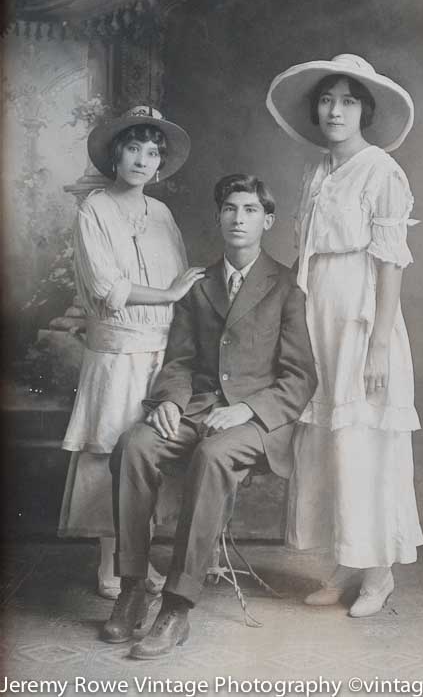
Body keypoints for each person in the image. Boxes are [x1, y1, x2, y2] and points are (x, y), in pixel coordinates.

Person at [102, 173, 317, 658]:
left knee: (215, 455)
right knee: (134, 444)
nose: (238, 219)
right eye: (230, 209)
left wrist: (246, 408)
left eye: (249, 211)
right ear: (218, 216)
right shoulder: (199, 286)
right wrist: (172, 401)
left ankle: (177, 607)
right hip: (196, 410)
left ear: (268, 221)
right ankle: (134, 587)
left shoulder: (286, 286)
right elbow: (178, 361)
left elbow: (300, 377)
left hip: (257, 423)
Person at [266, 54, 423, 617]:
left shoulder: (381, 169)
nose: (335, 110)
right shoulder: (317, 171)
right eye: (328, 100)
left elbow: (390, 262)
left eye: (349, 101)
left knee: (364, 438)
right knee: (332, 444)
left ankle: (378, 574)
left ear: (365, 111)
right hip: (318, 315)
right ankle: (346, 562)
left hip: (360, 318)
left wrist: (379, 341)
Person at [58, 105, 205, 600]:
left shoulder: (162, 215)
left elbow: (184, 282)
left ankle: (139, 562)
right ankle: (111, 567)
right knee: (110, 451)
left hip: (160, 355)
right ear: (115, 155)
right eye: (133, 148)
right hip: (117, 354)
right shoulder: (93, 211)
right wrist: (165, 295)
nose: (142, 160)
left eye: (152, 152)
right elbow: (105, 287)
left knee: (150, 454)